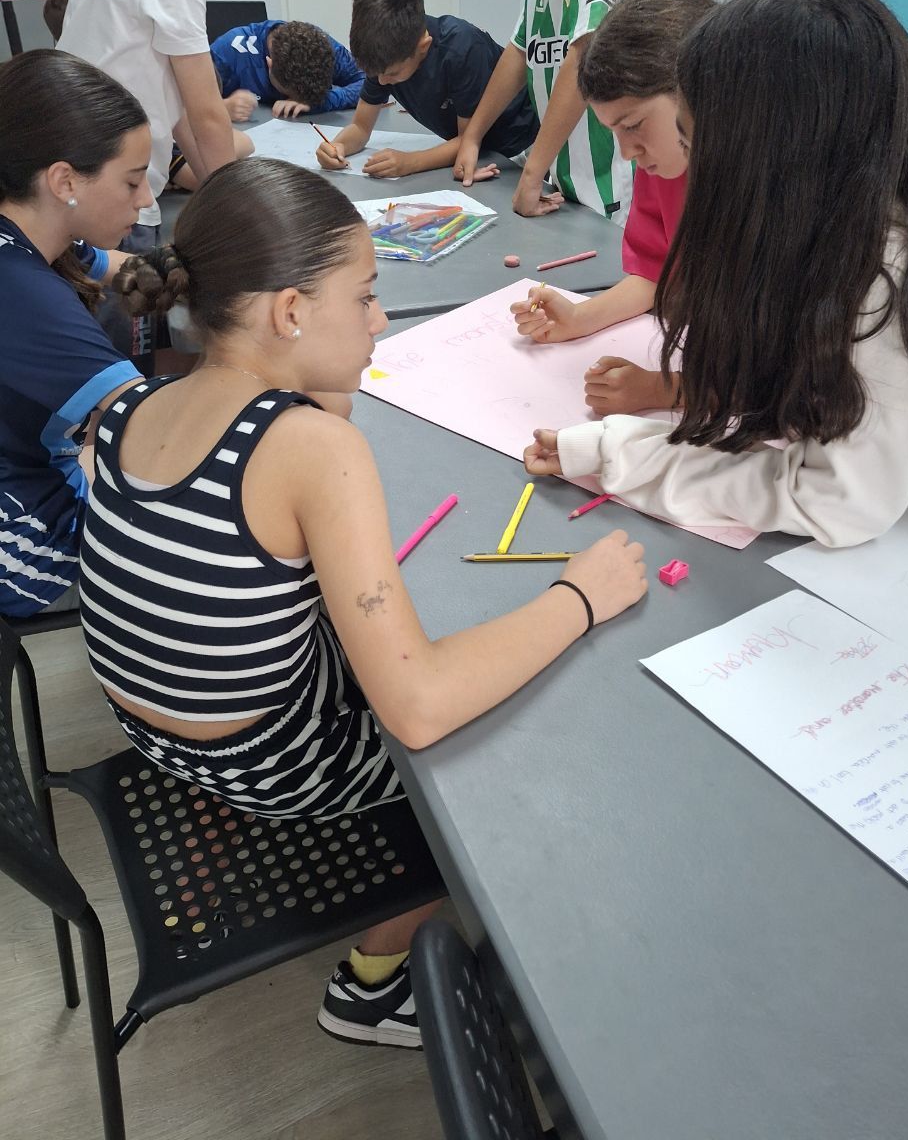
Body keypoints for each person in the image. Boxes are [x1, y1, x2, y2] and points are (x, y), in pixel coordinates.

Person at [78, 156, 647, 1046]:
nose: (380, 320)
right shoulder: (310, 451)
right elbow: (416, 709)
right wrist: (579, 595)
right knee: (515, 730)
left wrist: (316, 393)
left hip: (156, 736)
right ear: (290, 312)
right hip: (271, 766)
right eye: (366, 297)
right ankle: (373, 986)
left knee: (440, 647)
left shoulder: (132, 406)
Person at [523, 0, 908, 548]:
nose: (702, 170)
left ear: (776, 144)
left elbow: (838, 501)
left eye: (698, 139)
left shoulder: (886, 266)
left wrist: (617, 454)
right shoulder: (840, 213)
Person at [511, 0, 713, 415]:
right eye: (613, 132)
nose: (626, 152)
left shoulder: (768, 185)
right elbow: (655, 274)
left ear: (698, 90)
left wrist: (668, 390)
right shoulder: (663, 164)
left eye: (634, 125)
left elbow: (798, 379)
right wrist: (580, 318)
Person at [0, 49, 152, 618]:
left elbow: (124, 267)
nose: (146, 199)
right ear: (64, 180)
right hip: (23, 535)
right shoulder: (21, 289)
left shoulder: (33, 231)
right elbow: (156, 425)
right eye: (132, 181)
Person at [58, 0, 245, 257]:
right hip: (118, 205)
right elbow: (207, 114)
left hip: (74, 199)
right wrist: (240, 215)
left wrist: (217, 195)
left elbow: (180, 112)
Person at [454, 0, 655, 222]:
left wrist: (531, 175)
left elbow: (586, 53)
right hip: (562, 173)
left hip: (609, 182)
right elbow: (522, 46)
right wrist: (473, 135)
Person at [316, 0, 538, 180]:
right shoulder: (383, 55)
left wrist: (411, 162)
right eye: (375, 74)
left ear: (423, 47)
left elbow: (468, 138)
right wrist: (337, 146)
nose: (382, 81)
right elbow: (360, 127)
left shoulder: (461, 49)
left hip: (519, 146)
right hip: (475, 152)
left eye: (392, 74)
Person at [211, 18, 364, 120]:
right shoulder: (226, 53)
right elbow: (195, 103)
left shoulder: (324, 48)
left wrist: (324, 101)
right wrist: (222, 108)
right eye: (289, 94)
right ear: (269, 65)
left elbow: (367, 81)